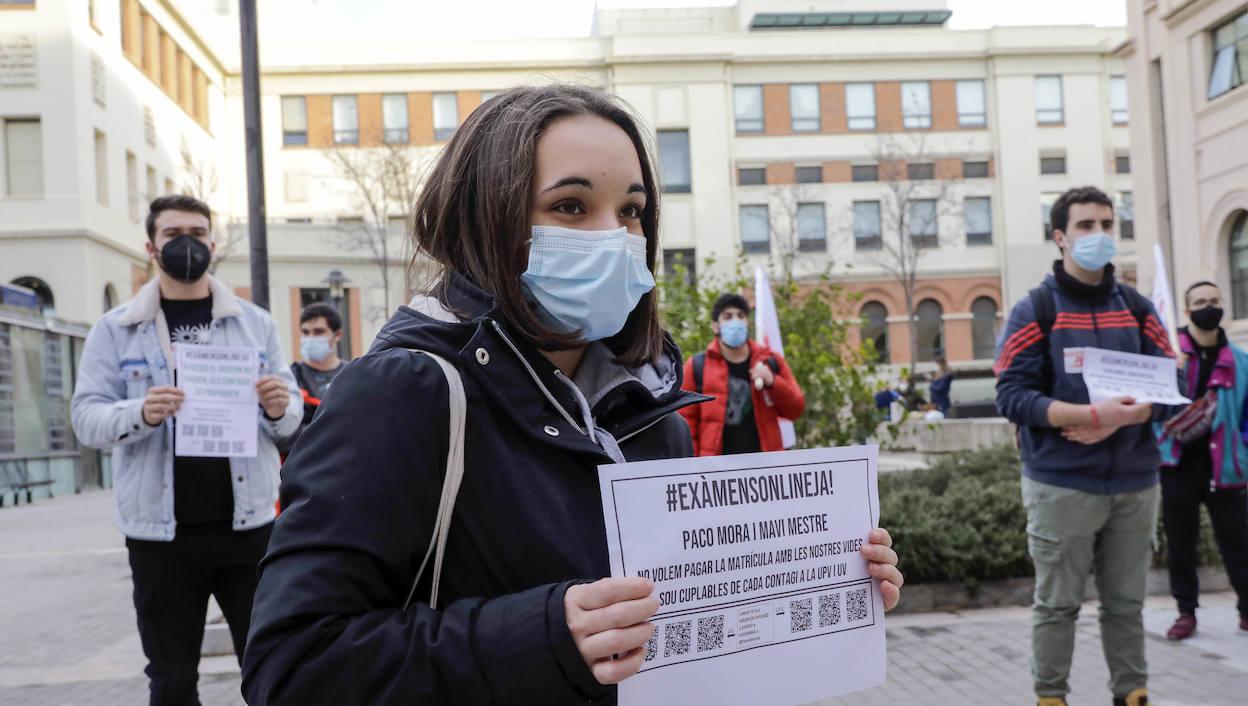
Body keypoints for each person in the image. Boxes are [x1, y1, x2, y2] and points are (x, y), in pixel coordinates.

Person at [240, 85, 903, 705]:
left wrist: (822, 583)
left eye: (633, 211)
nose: (613, 235)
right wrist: (544, 634)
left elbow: (678, 629)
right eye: (570, 207)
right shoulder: (404, 395)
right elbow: (292, 664)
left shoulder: (649, 409)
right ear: (487, 219)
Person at [70, 195, 301, 706]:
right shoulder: (116, 329)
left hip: (248, 529)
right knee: (172, 681)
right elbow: (85, 417)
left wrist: (277, 405)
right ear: (152, 246)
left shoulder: (253, 322)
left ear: (213, 244)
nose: (187, 244)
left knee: (272, 670)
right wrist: (141, 412)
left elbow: (288, 416)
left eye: (197, 233)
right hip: (159, 535)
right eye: (174, 234)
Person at [994, 187, 1176, 706]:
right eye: (1085, 226)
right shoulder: (1036, 309)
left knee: (1127, 604)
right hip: (1061, 484)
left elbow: (1170, 386)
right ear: (1060, 237)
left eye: (1106, 225)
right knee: (1057, 604)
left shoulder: (1138, 308)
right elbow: (1011, 395)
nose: (1098, 236)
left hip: (1135, 483)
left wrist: (1125, 418)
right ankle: (1050, 696)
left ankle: (1132, 693)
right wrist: (1086, 417)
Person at [1155, 281, 1248, 640]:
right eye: (1200, 302)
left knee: (1238, 540)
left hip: (1225, 465)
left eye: (1214, 300)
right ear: (1187, 309)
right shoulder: (1170, 354)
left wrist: (1242, 446)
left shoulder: (1239, 362)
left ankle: (1245, 609)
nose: (1208, 307)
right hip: (1177, 464)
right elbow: (1151, 407)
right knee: (1181, 541)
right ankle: (1186, 613)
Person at [679, 293, 805, 455]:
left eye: (740, 316)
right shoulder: (697, 366)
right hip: (717, 469)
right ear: (715, 326)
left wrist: (773, 382)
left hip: (765, 465)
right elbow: (686, 421)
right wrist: (695, 465)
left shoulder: (770, 361)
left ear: (747, 322)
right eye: (728, 316)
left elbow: (796, 409)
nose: (735, 322)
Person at [278, 302, 349, 456]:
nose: (310, 338)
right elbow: (283, 433)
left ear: (337, 335)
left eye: (318, 332)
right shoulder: (291, 377)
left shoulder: (352, 375)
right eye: (305, 332)